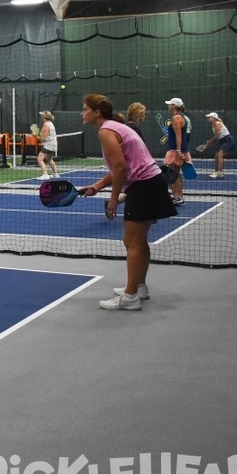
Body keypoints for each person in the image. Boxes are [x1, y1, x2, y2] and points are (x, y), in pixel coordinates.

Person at [79, 94, 178, 311]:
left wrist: (113, 200)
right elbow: (119, 168)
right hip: (151, 182)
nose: (82, 113)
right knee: (139, 241)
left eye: (85, 109)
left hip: (144, 186)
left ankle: (130, 297)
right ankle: (138, 287)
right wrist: (97, 186)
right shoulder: (115, 126)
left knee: (131, 242)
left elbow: (121, 168)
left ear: (97, 112)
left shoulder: (106, 131)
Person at [163, 97, 191, 206]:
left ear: (174, 106)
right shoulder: (180, 117)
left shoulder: (176, 118)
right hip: (177, 149)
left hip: (176, 150)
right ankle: (178, 197)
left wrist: (178, 150)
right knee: (175, 173)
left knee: (170, 173)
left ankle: (177, 196)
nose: (168, 105)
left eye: (170, 104)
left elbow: (178, 135)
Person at [198, 112, 236, 178]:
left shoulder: (217, 123)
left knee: (220, 154)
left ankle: (219, 172)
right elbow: (217, 137)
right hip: (222, 140)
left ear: (214, 118)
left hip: (228, 140)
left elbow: (216, 136)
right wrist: (209, 143)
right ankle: (216, 172)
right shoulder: (214, 124)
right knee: (216, 156)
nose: (208, 118)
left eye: (209, 117)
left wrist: (209, 142)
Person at [37, 110, 58, 180]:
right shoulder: (50, 123)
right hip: (53, 145)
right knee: (49, 159)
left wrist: (35, 136)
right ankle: (55, 174)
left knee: (39, 159)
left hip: (49, 145)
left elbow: (42, 139)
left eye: (42, 116)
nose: (41, 117)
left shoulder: (46, 125)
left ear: (44, 117)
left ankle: (45, 175)